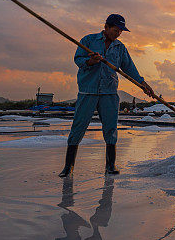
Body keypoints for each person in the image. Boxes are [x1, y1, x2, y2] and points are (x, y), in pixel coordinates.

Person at [59, 14, 154, 177]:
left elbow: (129, 68)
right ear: (106, 27)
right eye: (116, 30)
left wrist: (143, 84)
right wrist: (91, 61)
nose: (118, 34)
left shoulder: (120, 48)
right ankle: (68, 167)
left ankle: (110, 165)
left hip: (109, 92)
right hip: (88, 91)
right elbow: (78, 60)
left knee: (110, 128)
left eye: (120, 31)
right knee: (78, 127)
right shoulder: (88, 41)